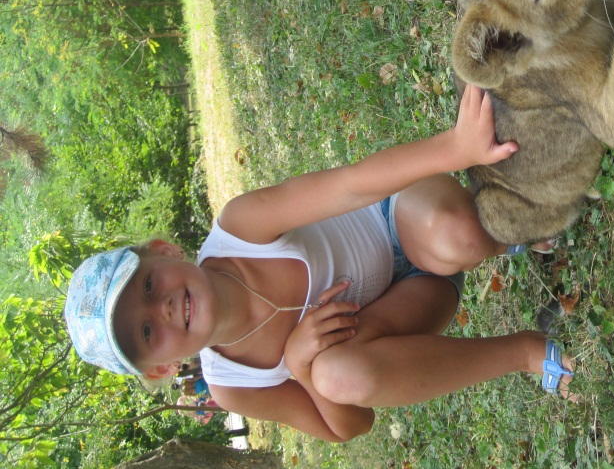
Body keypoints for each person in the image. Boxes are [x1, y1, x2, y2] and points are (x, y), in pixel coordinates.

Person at [64, 85, 574, 442]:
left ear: (165, 250)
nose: (166, 308)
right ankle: (526, 353)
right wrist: (301, 363)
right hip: (408, 309)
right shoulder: (232, 385)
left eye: (149, 284)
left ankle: (502, 233)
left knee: (456, 236)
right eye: (148, 331)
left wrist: (455, 148)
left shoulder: (241, 228)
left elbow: (351, 184)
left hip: (396, 220)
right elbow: (349, 427)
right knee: (336, 376)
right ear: (163, 367)